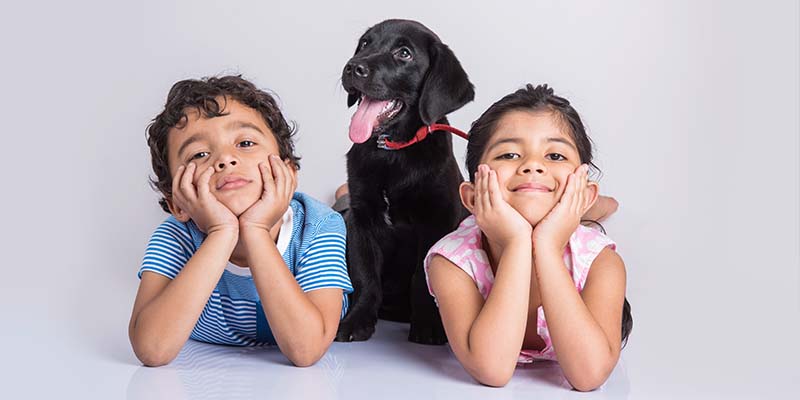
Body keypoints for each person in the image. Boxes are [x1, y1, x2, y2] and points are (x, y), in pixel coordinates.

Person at [129, 75, 352, 367]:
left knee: (355, 216)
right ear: (176, 204)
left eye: (245, 143)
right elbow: (152, 349)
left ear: (289, 174)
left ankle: (346, 195)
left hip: (336, 218)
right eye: (200, 154)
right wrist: (221, 233)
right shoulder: (175, 237)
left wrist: (255, 230)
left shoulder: (320, 227)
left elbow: (306, 350)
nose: (225, 159)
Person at [424, 84, 632, 390]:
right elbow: (492, 370)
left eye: (556, 155)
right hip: (482, 222)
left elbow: (589, 377)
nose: (533, 165)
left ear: (583, 192)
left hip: (575, 212)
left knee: (585, 214)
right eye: (509, 154)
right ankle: (346, 196)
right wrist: (517, 242)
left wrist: (547, 247)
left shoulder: (601, 262)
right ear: (471, 198)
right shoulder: (453, 262)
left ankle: (600, 207)